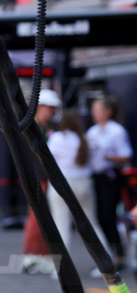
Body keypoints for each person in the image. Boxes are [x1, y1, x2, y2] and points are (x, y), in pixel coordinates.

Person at [47, 107, 100, 267]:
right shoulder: (87, 139)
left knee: (60, 225)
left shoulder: (56, 138)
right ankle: (105, 263)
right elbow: (96, 164)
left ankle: (61, 268)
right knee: (91, 224)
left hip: (61, 183)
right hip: (83, 183)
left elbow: (48, 160)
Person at [86, 95, 131, 272]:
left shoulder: (116, 131)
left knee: (109, 216)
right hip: (95, 177)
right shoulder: (92, 131)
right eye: (93, 110)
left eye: (98, 109)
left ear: (108, 111)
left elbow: (126, 155)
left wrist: (107, 156)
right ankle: (109, 254)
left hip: (112, 177)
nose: (94, 113)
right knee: (99, 217)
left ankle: (119, 256)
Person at [21, 90, 61, 273]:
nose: (52, 112)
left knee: (46, 218)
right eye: (50, 108)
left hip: (45, 177)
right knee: (37, 218)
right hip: (37, 178)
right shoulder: (31, 127)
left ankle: (42, 256)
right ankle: (31, 256)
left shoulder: (47, 128)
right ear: (41, 107)